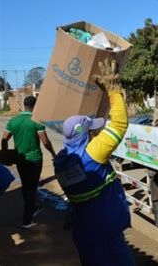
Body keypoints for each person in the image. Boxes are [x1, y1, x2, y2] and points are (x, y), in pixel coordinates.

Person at [53, 59, 134, 266]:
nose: (95, 133)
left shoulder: (62, 159)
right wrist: (114, 91)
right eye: (91, 130)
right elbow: (120, 124)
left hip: (85, 233)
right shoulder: (93, 154)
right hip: (105, 235)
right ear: (85, 134)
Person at [1, 95, 56, 228]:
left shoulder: (13, 121)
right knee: (31, 188)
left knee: (27, 186)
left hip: (20, 160)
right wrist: (54, 153)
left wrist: (5, 155)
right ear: (35, 106)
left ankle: (32, 208)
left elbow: (4, 140)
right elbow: (45, 141)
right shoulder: (36, 121)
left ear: (24, 106)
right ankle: (27, 220)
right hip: (35, 160)